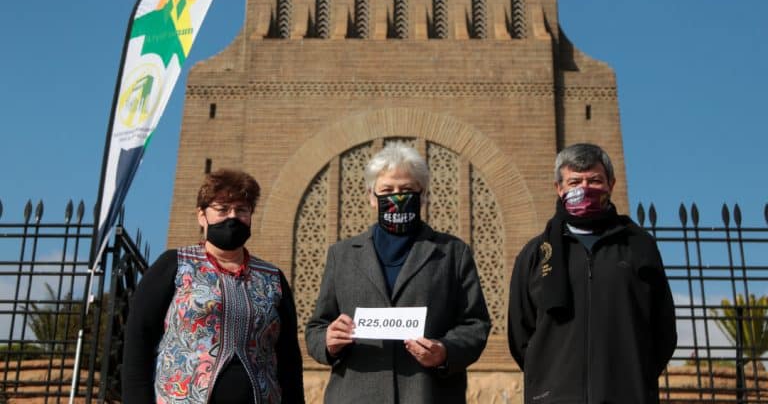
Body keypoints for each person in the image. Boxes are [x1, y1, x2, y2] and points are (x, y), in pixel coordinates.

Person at [305, 142, 491, 403]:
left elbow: (475, 324)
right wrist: (328, 341)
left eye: (407, 190)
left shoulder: (452, 252)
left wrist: (445, 351)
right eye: (387, 190)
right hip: (355, 394)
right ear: (372, 196)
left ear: (423, 195)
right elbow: (316, 327)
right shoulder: (342, 255)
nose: (397, 196)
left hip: (428, 394)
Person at [507, 143, 677, 404]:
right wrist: (548, 379)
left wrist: (634, 378)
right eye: (574, 181)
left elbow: (662, 328)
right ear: (559, 188)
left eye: (594, 180)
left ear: (611, 184)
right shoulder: (537, 254)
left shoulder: (638, 246)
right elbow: (521, 335)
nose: (584, 188)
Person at [122, 169, 304, 404]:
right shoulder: (175, 265)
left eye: (241, 210)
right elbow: (139, 340)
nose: (233, 217)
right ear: (202, 215)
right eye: (222, 209)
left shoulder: (272, 278)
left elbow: (289, 359)